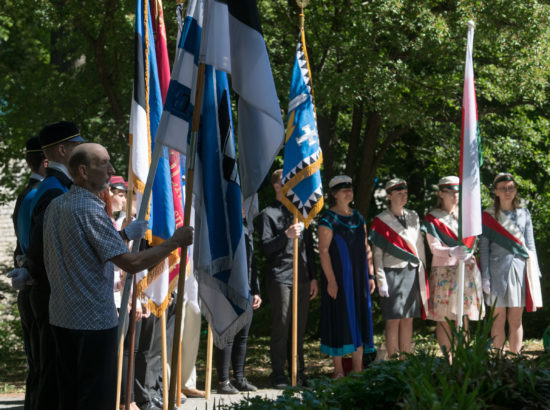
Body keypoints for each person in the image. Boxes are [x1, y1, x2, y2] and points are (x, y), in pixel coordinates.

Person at [42, 143, 193, 410]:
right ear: (83, 170)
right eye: (104, 163)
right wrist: (174, 242)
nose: (111, 170)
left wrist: (122, 235)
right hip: (93, 322)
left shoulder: (57, 205)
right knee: (96, 397)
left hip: (61, 317)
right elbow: (131, 263)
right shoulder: (89, 209)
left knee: (69, 395)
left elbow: (83, 249)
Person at [22, 121, 85, 410]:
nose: (81, 149)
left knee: (48, 370)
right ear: (62, 150)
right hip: (50, 290)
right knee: (52, 373)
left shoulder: (53, 186)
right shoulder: (55, 191)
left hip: (47, 289)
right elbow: (42, 242)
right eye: (76, 145)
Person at [256, 169, 318, 388]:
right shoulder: (268, 214)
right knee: (282, 325)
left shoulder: (299, 214)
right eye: (285, 183)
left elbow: (309, 249)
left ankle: (298, 371)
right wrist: (286, 236)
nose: (289, 187)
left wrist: (313, 277)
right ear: (276, 186)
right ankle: (278, 373)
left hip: (302, 276)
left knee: (299, 327)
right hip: (281, 276)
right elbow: (266, 248)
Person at [318, 175, 375, 377]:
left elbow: (366, 247)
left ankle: (358, 369)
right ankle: (339, 371)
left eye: (350, 188)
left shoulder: (359, 218)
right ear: (334, 194)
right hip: (340, 280)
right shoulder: (327, 220)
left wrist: (371, 275)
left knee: (359, 317)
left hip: (360, 279)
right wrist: (332, 281)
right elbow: (323, 251)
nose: (348, 191)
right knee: (340, 319)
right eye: (343, 189)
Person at [480, 172, 542, 354]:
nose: (508, 192)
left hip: (520, 270)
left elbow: (530, 245)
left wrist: (535, 271)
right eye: (503, 189)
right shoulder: (488, 215)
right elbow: (484, 248)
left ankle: (515, 359)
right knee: (497, 320)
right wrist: (485, 276)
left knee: (515, 320)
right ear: (496, 192)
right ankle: (497, 361)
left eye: (511, 188)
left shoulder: (524, 213)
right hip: (495, 272)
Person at [422, 176, 484, 356]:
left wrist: (468, 252)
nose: (456, 196)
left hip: (465, 270)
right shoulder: (432, 218)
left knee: (463, 316)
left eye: (458, 192)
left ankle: (462, 356)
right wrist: (451, 251)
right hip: (444, 272)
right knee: (443, 318)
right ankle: (447, 358)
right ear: (441, 193)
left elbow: (473, 243)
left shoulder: (466, 217)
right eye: (452, 192)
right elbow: (434, 248)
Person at [8, 136, 46, 410]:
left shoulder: (28, 192)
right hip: (38, 285)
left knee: (39, 362)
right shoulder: (39, 194)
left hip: (29, 284)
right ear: (47, 160)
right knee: (44, 363)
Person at [370, 178, 428, 358]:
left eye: (405, 193)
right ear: (389, 195)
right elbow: (377, 255)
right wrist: (381, 281)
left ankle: (406, 359)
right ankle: (393, 361)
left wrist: (423, 272)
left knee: (408, 319)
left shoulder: (413, 216)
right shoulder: (380, 220)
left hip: (411, 271)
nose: (404, 197)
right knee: (393, 320)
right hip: (391, 273)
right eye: (399, 193)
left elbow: (419, 246)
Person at [215, 215, 262, 394]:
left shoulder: (246, 230)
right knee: (227, 335)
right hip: (228, 288)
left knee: (242, 336)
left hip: (247, 290)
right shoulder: (223, 228)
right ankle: (223, 381)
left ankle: (239, 378)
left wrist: (255, 290)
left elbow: (252, 263)